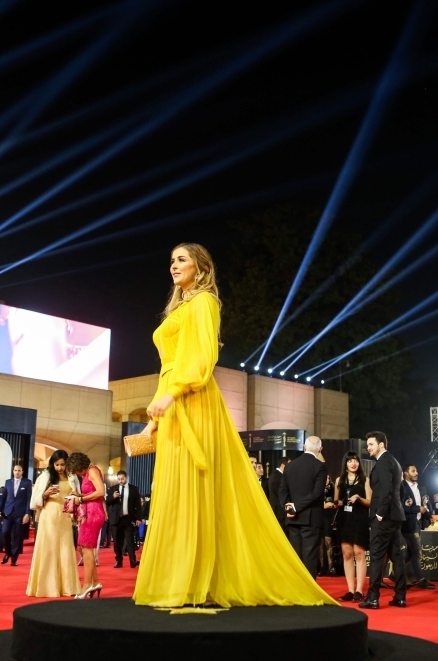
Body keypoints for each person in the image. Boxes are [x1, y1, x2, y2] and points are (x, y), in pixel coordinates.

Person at [133, 243, 335, 608]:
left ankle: (199, 582)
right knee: (177, 492)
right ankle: (185, 581)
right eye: (171, 260)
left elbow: (202, 357)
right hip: (175, 404)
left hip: (193, 400)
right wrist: (154, 420)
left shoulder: (204, 304)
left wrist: (174, 392)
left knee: (198, 488)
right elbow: (171, 367)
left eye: (181, 259)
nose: (173, 266)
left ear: (201, 267)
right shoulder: (180, 308)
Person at [359, 431, 407, 610]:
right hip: (394, 516)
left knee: (378, 556)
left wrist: (379, 513)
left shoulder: (384, 462)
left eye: (371, 444)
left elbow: (386, 490)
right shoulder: (393, 461)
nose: (368, 448)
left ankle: (373, 598)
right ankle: (400, 597)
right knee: (396, 556)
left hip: (384, 517)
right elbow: (397, 491)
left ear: (381, 445)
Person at [27, 450, 80, 598]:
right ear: (52, 464)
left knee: (66, 548)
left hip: (65, 516)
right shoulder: (45, 476)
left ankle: (67, 586)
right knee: (49, 548)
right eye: (57, 465)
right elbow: (34, 500)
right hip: (49, 515)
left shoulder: (72, 477)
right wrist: (45, 493)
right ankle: (46, 587)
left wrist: (77, 498)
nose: (60, 468)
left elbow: (78, 496)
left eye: (62, 464)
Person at [279, 436, 328, 577]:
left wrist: (289, 508)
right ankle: (309, 595)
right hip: (311, 519)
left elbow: (282, 491)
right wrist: (296, 507)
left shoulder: (290, 466)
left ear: (304, 447)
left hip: (293, 519)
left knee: (296, 557)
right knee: (310, 558)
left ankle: (297, 592)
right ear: (320, 450)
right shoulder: (320, 467)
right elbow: (316, 494)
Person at [68, 452, 104, 599]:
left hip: (94, 513)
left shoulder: (92, 471)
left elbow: (101, 492)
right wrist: (79, 496)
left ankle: (87, 585)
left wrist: (81, 499)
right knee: (83, 547)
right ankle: (95, 582)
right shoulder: (89, 472)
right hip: (90, 512)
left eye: (76, 470)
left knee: (86, 548)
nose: (77, 473)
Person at [335, 451, 370, 602]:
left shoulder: (365, 480)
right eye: (350, 461)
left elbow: (370, 502)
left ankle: (359, 591)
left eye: (355, 460)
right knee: (347, 554)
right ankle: (350, 590)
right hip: (344, 520)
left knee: (359, 553)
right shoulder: (339, 480)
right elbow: (336, 501)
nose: (353, 463)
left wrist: (359, 498)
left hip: (360, 519)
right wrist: (337, 503)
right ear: (345, 463)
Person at [401, 464, 435, 590]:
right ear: (405, 473)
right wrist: (416, 509)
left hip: (417, 523)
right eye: (413, 471)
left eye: (416, 471)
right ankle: (421, 579)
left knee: (410, 552)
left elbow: (422, 505)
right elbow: (400, 506)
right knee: (416, 551)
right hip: (408, 524)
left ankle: (394, 573)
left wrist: (428, 516)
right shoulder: (402, 487)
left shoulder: (418, 487)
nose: (416, 473)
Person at [106, 470, 141, 568]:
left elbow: (137, 505)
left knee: (130, 541)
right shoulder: (113, 489)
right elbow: (107, 502)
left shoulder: (134, 489)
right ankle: (119, 561)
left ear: (126, 478)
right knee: (117, 542)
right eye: (119, 479)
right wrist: (113, 497)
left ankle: (133, 561)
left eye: (122, 479)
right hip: (116, 519)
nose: (120, 481)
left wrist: (138, 518)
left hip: (128, 519)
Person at [0, 464, 33, 566]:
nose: (17, 472)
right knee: (5, 532)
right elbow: (4, 497)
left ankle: (14, 558)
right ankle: (8, 552)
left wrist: (28, 513)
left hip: (20, 513)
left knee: (18, 537)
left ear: (22, 472)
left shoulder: (27, 482)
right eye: (15, 470)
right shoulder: (8, 482)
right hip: (8, 512)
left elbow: (29, 499)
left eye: (19, 470)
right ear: (13, 471)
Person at [268, 457, 291, 526]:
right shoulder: (277, 477)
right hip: (279, 510)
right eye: (289, 465)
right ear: (283, 465)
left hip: (280, 509)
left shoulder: (278, 475)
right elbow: (281, 494)